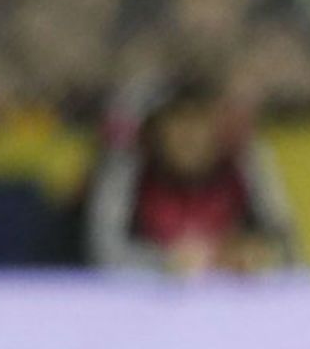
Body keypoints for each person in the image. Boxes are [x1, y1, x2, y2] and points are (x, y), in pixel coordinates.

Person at [85, 75, 297, 273]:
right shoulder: (131, 165)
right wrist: (164, 262)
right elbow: (102, 253)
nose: (188, 135)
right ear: (156, 130)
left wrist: (257, 255)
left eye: (199, 122)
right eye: (177, 121)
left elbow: (286, 246)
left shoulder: (242, 163)